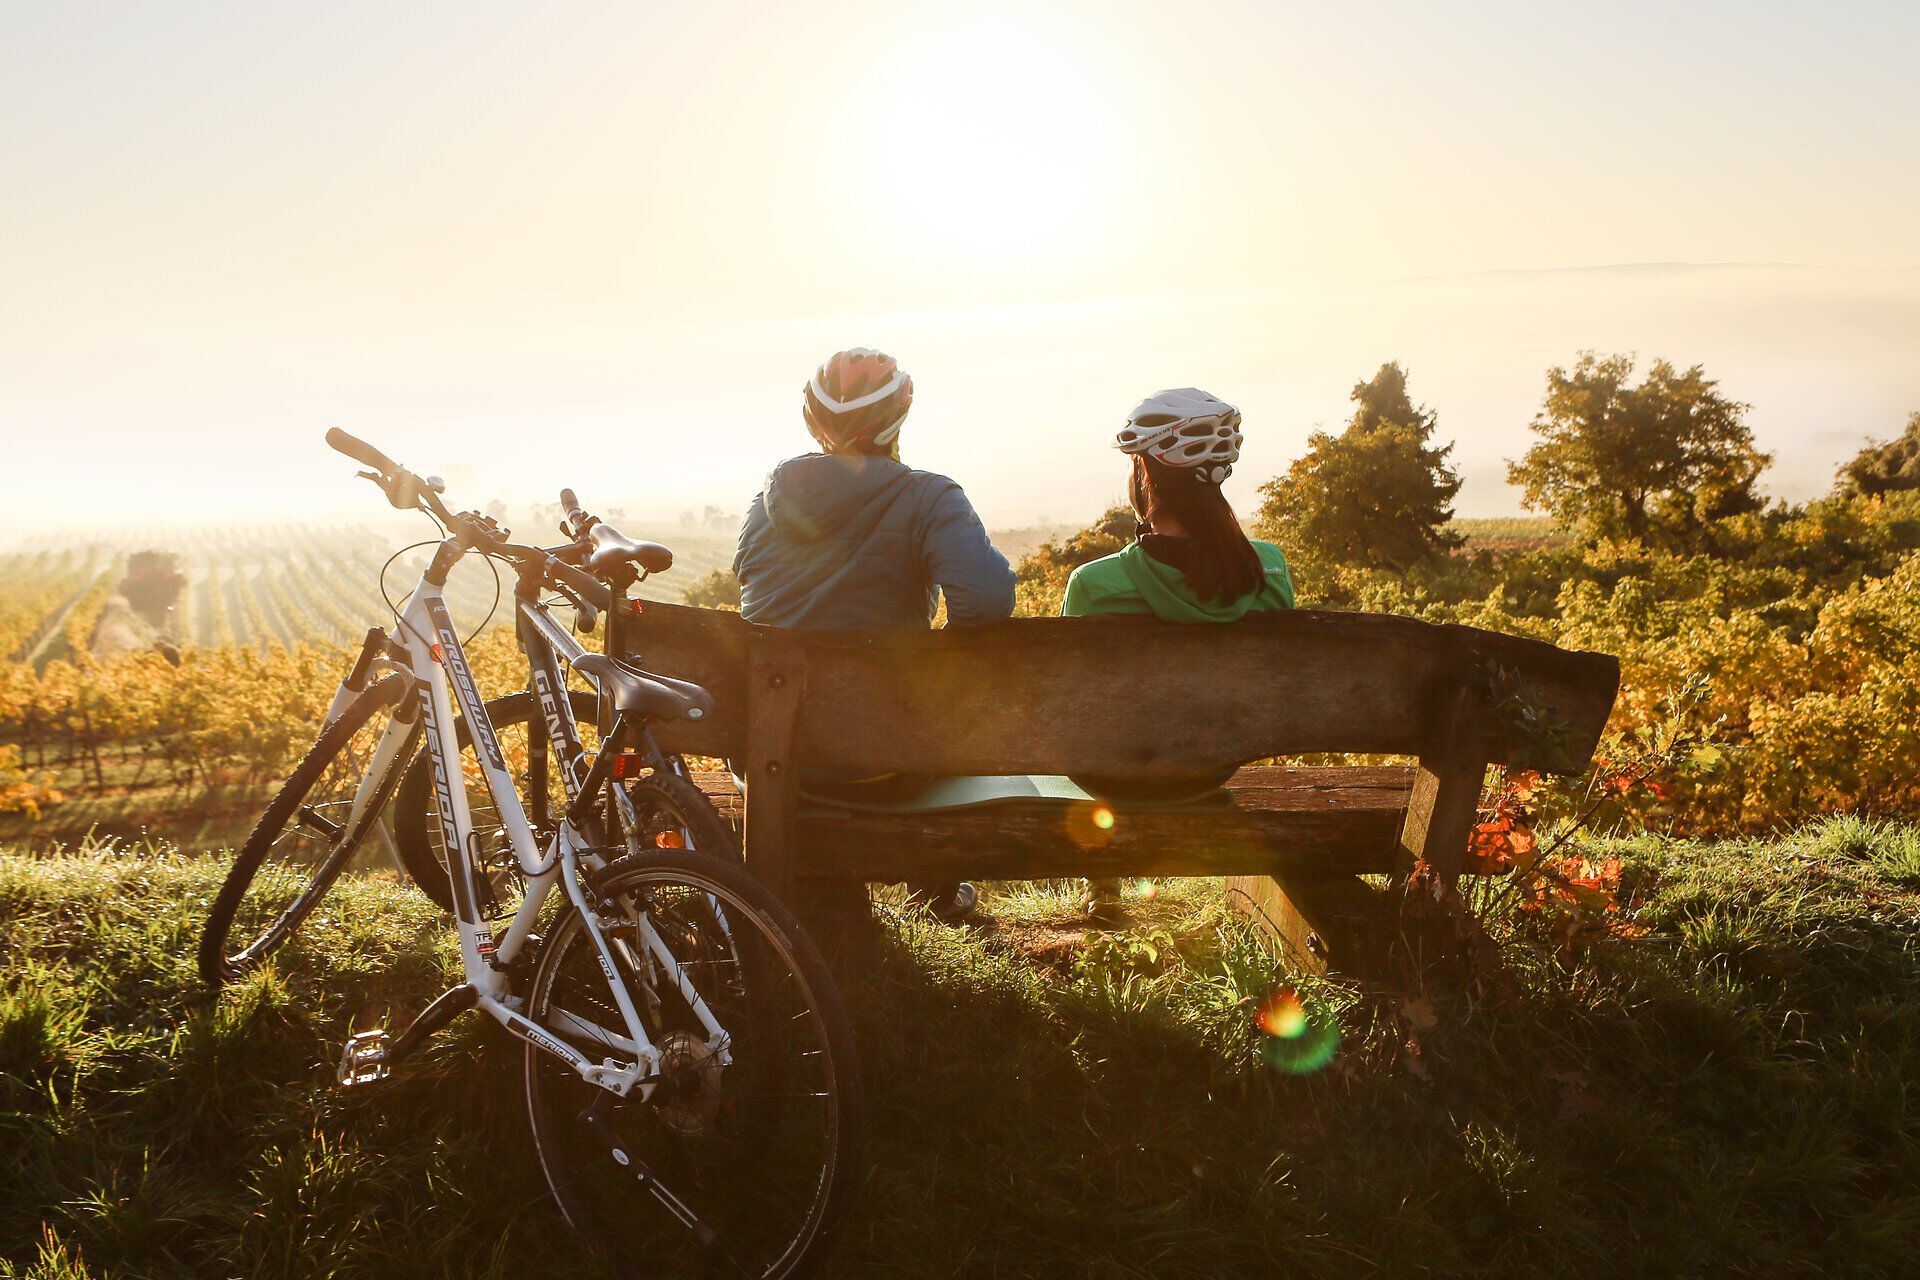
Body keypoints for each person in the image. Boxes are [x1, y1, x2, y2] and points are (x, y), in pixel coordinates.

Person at [734, 347, 1015, 920]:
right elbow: (984, 602)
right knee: (939, 713)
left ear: (813, 419)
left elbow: (750, 593)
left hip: (769, 756)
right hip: (889, 763)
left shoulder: (765, 507)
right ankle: (934, 887)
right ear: (898, 418)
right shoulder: (929, 497)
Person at [1061, 388, 1295, 920]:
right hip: (1212, 767)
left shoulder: (1096, 583)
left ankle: (1103, 887)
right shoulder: (1270, 570)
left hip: (1111, 777)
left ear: (1144, 475)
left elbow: (1072, 706)